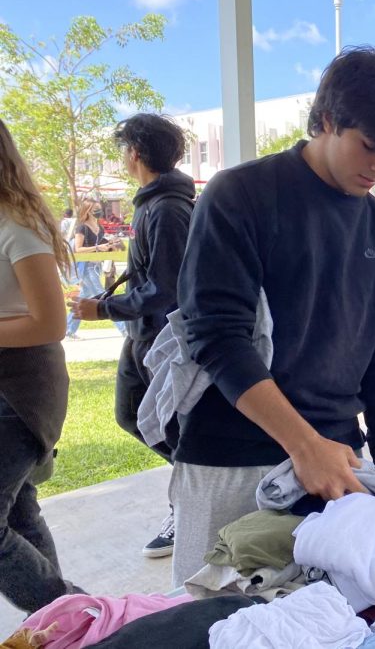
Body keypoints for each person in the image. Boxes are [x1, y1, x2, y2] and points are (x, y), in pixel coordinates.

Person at [170, 47, 375, 586]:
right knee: (207, 624)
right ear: (329, 120)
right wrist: (302, 444)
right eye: (370, 146)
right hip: (232, 456)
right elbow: (217, 336)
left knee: (324, 624)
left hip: (338, 463)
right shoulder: (241, 194)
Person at [69, 113, 194, 559]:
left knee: (167, 424)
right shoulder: (153, 203)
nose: (123, 157)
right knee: (132, 416)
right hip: (143, 336)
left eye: (124, 149)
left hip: (163, 342)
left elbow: (165, 289)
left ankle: (192, 499)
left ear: (135, 153)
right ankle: (194, 490)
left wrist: (101, 308)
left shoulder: (167, 209)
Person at [0, 117, 84, 613]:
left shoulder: (16, 226)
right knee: (20, 516)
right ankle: (65, 626)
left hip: (22, 392)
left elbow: (49, 323)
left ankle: (79, 616)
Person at [63, 199, 126, 339]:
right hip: (86, 268)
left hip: (95, 266)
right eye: (95, 208)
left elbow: (101, 245)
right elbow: (78, 249)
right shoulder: (82, 228)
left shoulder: (100, 228)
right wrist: (98, 248)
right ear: (88, 210)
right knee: (103, 296)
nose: (99, 211)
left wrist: (110, 244)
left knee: (84, 298)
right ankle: (124, 328)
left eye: (99, 208)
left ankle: (68, 329)